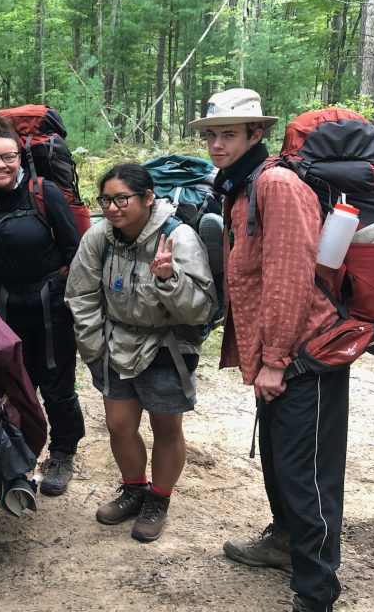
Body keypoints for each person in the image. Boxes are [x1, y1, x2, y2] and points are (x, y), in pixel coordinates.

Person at [193, 88, 345, 612]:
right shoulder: (241, 185)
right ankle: (284, 543)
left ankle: (317, 589)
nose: (216, 143)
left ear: (256, 134)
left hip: (305, 355)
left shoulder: (276, 184)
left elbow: (290, 276)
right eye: (211, 134)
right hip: (275, 355)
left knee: (307, 475)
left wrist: (277, 359)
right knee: (281, 464)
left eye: (228, 134)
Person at [65, 163, 215, 542]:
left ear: (148, 198)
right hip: (115, 343)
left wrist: (169, 279)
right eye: (107, 200)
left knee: (166, 427)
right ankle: (134, 489)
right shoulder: (100, 236)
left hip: (168, 346)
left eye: (122, 199)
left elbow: (200, 308)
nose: (113, 208)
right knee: (118, 424)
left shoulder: (178, 237)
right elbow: (80, 295)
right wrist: (94, 348)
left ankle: (158, 500)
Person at [0, 112, 84, 497]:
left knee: (56, 382)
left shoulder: (44, 194)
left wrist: (77, 304)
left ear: (21, 157)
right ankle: (19, 450)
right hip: (6, 304)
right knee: (12, 381)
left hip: (52, 304)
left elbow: (74, 251)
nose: (0, 165)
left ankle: (63, 452)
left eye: (8, 157)